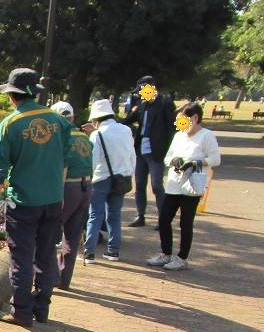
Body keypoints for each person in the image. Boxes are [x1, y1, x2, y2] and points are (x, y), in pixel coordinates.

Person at [0, 68, 70, 326]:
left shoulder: (11, 124)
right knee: (46, 254)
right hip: (53, 199)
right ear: (34, 93)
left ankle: (22, 312)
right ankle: (42, 309)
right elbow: (65, 160)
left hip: (23, 202)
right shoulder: (58, 121)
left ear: (12, 95)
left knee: (22, 258)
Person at [147, 102, 221, 270]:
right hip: (174, 184)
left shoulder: (206, 136)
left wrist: (195, 163)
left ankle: (182, 258)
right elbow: (168, 157)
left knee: (185, 222)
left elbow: (215, 159)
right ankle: (166, 253)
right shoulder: (179, 136)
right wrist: (174, 161)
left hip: (192, 186)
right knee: (164, 219)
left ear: (195, 118)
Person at [81, 99, 136, 263]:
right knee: (115, 215)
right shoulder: (126, 130)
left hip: (101, 178)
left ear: (96, 119)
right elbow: (132, 155)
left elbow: (93, 160)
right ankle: (113, 251)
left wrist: (87, 178)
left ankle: (89, 252)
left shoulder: (96, 135)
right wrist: (128, 173)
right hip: (121, 178)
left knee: (95, 214)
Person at [121, 75, 176, 228]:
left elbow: (172, 128)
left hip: (156, 151)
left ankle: (163, 218)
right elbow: (128, 120)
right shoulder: (141, 104)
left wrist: (168, 150)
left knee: (157, 185)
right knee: (139, 184)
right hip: (141, 150)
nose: (139, 93)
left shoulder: (165, 103)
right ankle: (140, 216)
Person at [51, 101, 93, 289]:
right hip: (86, 186)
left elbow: (61, 167)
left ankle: (50, 276)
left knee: (50, 232)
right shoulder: (85, 138)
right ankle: (64, 278)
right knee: (72, 237)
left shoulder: (61, 139)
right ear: (73, 117)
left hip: (68, 187)